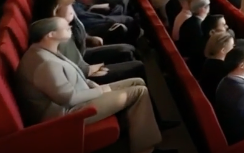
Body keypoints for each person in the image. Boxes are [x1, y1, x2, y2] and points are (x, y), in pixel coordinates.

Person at [15, 18, 169, 153]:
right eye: (65, 27)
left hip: (78, 100)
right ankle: (145, 149)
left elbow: (72, 76)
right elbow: (69, 99)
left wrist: (89, 83)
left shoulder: (45, 50)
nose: (70, 27)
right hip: (67, 115)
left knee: (137, 82)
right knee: (139, 92)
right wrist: (100, 90)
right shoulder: (45, 64)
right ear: (51, 34)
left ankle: (135, 136)